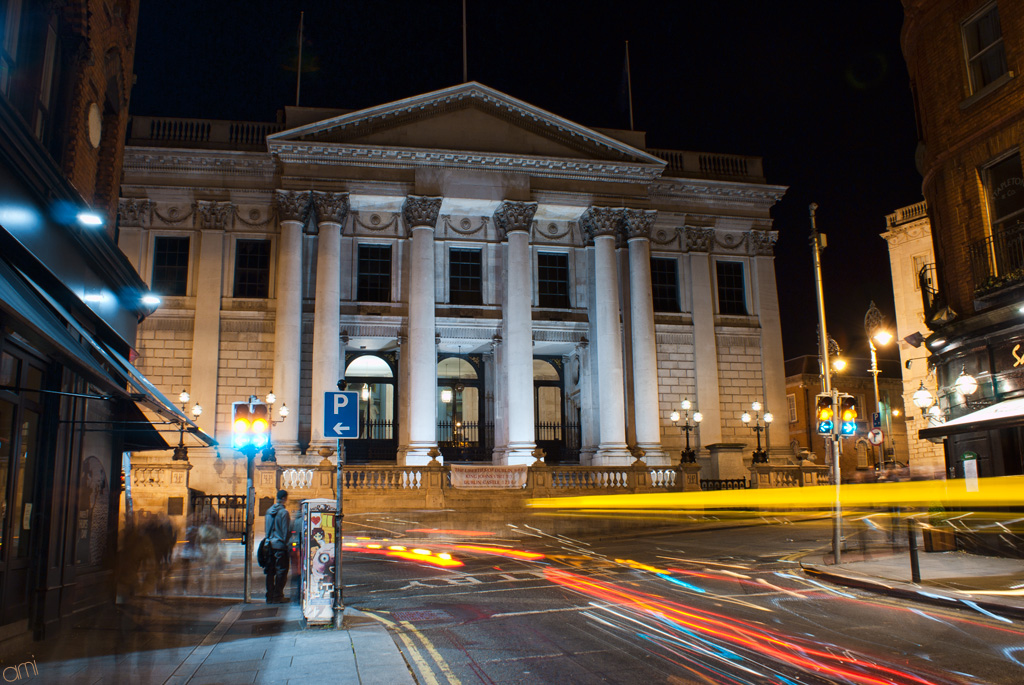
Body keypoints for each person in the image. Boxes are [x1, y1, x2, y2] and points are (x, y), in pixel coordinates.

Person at [264, 489, 291, 603]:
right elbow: (285, 531)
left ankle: (269, 595)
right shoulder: (284, 513)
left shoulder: (269, 511)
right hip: (280, 546)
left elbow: (266, 529)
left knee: (270, 571)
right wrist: (287, 545)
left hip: (269, 545)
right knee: (281, 571)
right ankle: (278, 595)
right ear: (284, 498)